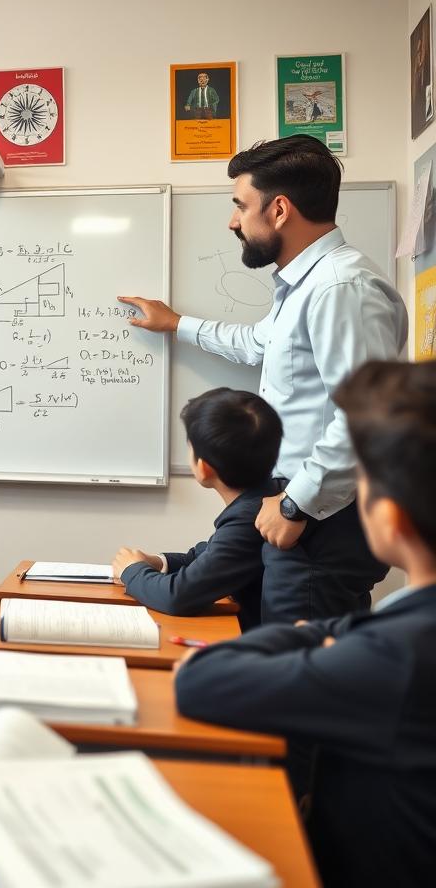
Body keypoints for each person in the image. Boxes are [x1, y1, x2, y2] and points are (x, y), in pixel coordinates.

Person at [121, 135, 407, 622]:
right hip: (306, 515)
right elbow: (258, 344)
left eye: (240, 205)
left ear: (278, 210)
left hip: (319, 521)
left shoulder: (341, 288)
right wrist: (177, 324)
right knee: (287, 658)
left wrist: (295, 505)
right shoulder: (306, 283)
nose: (233, 221)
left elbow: (368, 417)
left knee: (303, 679)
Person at [175, 359, 436, 888]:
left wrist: (313, 634)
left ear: (388, 519)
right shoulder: (395, 638)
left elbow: (200, 679)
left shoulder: (398, 651)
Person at [112, 388, 281, 630]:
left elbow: (178, 597)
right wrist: (160, 562)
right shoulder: (266, 497)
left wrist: (133, 571)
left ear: (203, 468)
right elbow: (205, 556)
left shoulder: (250, 520)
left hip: (267, 651)